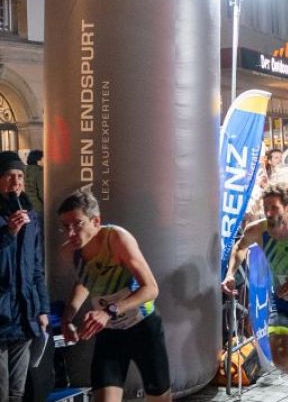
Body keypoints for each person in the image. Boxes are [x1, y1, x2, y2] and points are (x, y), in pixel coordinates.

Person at [58, 188, 171, 402]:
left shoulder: (117, 238)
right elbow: (84, 281)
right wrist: (67, 318)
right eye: (65, 226)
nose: (70, 233)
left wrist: (109, 311)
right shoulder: (71, 250)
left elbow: (151, 289)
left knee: (159, 398)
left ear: (96, 221)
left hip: (143, 327)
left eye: (78, 224)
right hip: (110, 333)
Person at [221, 183, 288, 401]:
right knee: (280, 359)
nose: (268, 213)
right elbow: (240, 247)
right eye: (265, 207)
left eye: (274, 207)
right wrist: (230, 273)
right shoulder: (257, 230)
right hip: (282, 303)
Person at [0, 151, 48, 402]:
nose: (16, 182)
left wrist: (43, 308)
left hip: (24, 313)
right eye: (9, 176)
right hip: (1, 314)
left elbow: (37, 268)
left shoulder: (31, 217)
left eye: (19, 176)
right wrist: (8, 234)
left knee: (17, 392)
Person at [24, 150, 43, 215]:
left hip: (25, 207)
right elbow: (42, 193)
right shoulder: (39, 172)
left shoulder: (23, 170)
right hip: (37, 207)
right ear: (38, 160)